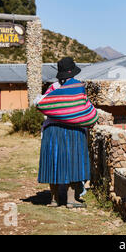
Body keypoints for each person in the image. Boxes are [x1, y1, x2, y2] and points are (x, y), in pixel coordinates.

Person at [37, 57, 90, 208]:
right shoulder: (78, 87)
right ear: (72, 72)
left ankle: (54, 200)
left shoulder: (52, 88)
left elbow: (44, 104)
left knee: (53, 161)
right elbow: (83, 107)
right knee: (73, 161)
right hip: (73, 129)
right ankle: (71, 200)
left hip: (52, 130)